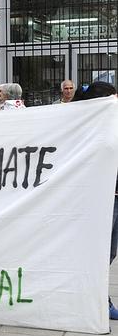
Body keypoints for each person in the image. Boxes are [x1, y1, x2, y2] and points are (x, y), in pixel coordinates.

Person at [72, 81, 118, 319]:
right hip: (101, 198)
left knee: (109, 252)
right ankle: (98, 301)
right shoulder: (88, 130)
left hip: (115, 198)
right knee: (99, 252)